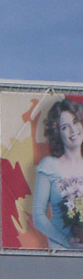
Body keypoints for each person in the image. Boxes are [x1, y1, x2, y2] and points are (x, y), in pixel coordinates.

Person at [32, 98, 83, 250]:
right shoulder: (49, 166)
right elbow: (39, 216)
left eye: (75, 122)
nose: (73, 131)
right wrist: (65, 241)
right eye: (65, 127)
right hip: (60, 252)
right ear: (57, 133)